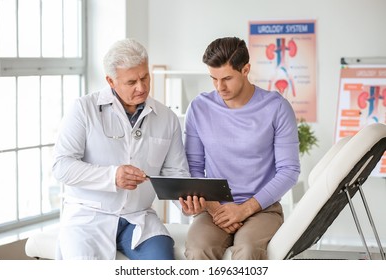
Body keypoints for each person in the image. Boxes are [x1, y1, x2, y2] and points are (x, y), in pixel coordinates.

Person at [53, 38, 200, 260]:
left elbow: (175, 173)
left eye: (144, 77)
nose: (141, 87)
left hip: (138, 217)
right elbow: (61, 166)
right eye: (131, 82)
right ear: (110, 81)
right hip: (89, 216)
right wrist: (112, 176)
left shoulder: (167, 118)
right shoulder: (83, 109)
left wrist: (185, 204)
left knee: (162, 264)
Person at [183, 37, 301, 260]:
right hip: (214, 207)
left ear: (246, 69)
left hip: (262, 208)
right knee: (199, 250)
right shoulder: (199, 107)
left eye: (227, 78)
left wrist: (245, 209)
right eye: (214, 79)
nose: (220, 87)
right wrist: (215, 209)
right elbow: (194, 167)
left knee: (247, 250)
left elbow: (289, 170)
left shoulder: (277, 107)